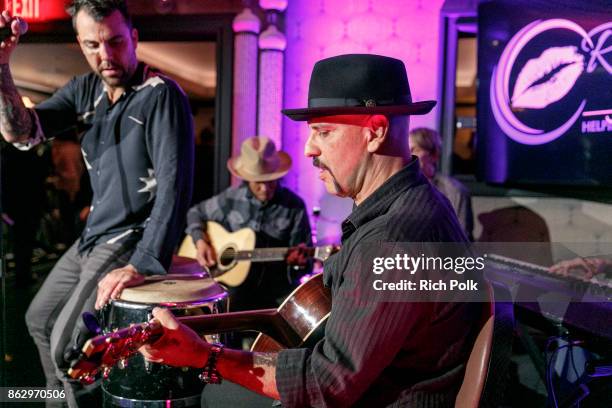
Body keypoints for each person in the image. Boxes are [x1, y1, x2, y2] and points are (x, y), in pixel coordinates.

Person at [142, 54, 481, 407]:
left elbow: (328, 383)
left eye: (324, 132)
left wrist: (207, 357)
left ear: (376, 132)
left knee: (211, 396)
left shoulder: (393, 239)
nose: (308, 149)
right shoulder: (406, 208)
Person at [0, 1, 193, 405]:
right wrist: (1, 67)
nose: (105, 55)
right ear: (80, 43)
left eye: (115, 41)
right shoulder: (84, 90)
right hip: (91, 237)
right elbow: (22, 134)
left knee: (65, 345)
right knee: (38, 319)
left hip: (128, 238)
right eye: (92, 45)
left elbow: (175, 189)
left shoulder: (161, 95)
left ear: (134, 39)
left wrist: (142, 262)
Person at [185, 135, 312, 312]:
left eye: (270, 181)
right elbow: (194, 213)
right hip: (234, 291)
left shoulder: (294, 206)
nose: (265, 189)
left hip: (274, 293)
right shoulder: (230, 198)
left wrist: (298, 263)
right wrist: (200, 241)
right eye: (259, 182)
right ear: (247, 178)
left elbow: (305, 260)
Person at [409, 127, 474, 240]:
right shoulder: (401, 187)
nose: (408, 156)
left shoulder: (454, 191)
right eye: (406, 150)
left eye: (414, 150)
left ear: (434, 155)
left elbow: (461, 240)